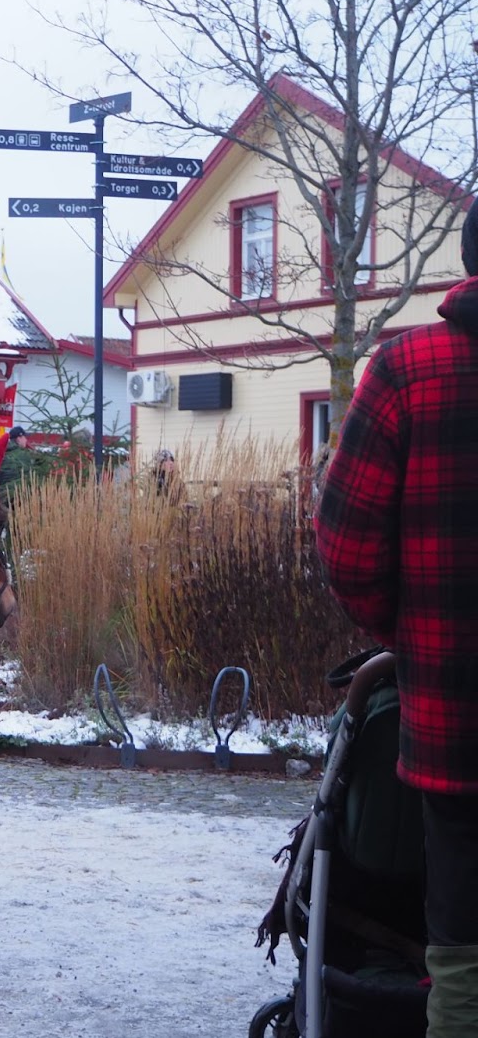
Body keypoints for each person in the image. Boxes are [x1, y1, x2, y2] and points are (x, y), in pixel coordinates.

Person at [315, 268, 478, 1038]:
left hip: (458, 726)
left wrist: (411, 638)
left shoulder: (409, 369)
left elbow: (347, 547)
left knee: (465, 955)